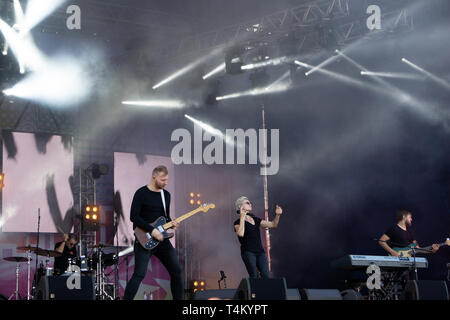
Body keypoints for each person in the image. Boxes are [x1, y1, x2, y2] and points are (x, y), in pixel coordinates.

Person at [123, 165, 184, 300]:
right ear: (154, 177)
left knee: (177, 271)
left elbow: (164, 217)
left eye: (167, 180)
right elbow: (134, 217)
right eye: (163, 180)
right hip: (144, 239)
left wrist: (171, 223)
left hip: (162, 240)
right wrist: (152, 230)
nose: (165, 183)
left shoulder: (166, 195)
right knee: (139, 274)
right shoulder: (141, 193)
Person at [233, 196, 283, 278]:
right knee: (254, 275)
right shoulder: (237, 222)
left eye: (250, 203)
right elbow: (240, 233)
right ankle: (253, 291)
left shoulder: (255, 219)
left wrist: (277, 215)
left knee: (266, 275)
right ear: (240, 206)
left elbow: (273, 224)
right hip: (248, 252)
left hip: (260, 252)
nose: (250, 204)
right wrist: (242, 217)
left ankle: (264, 290)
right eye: (247, 203)